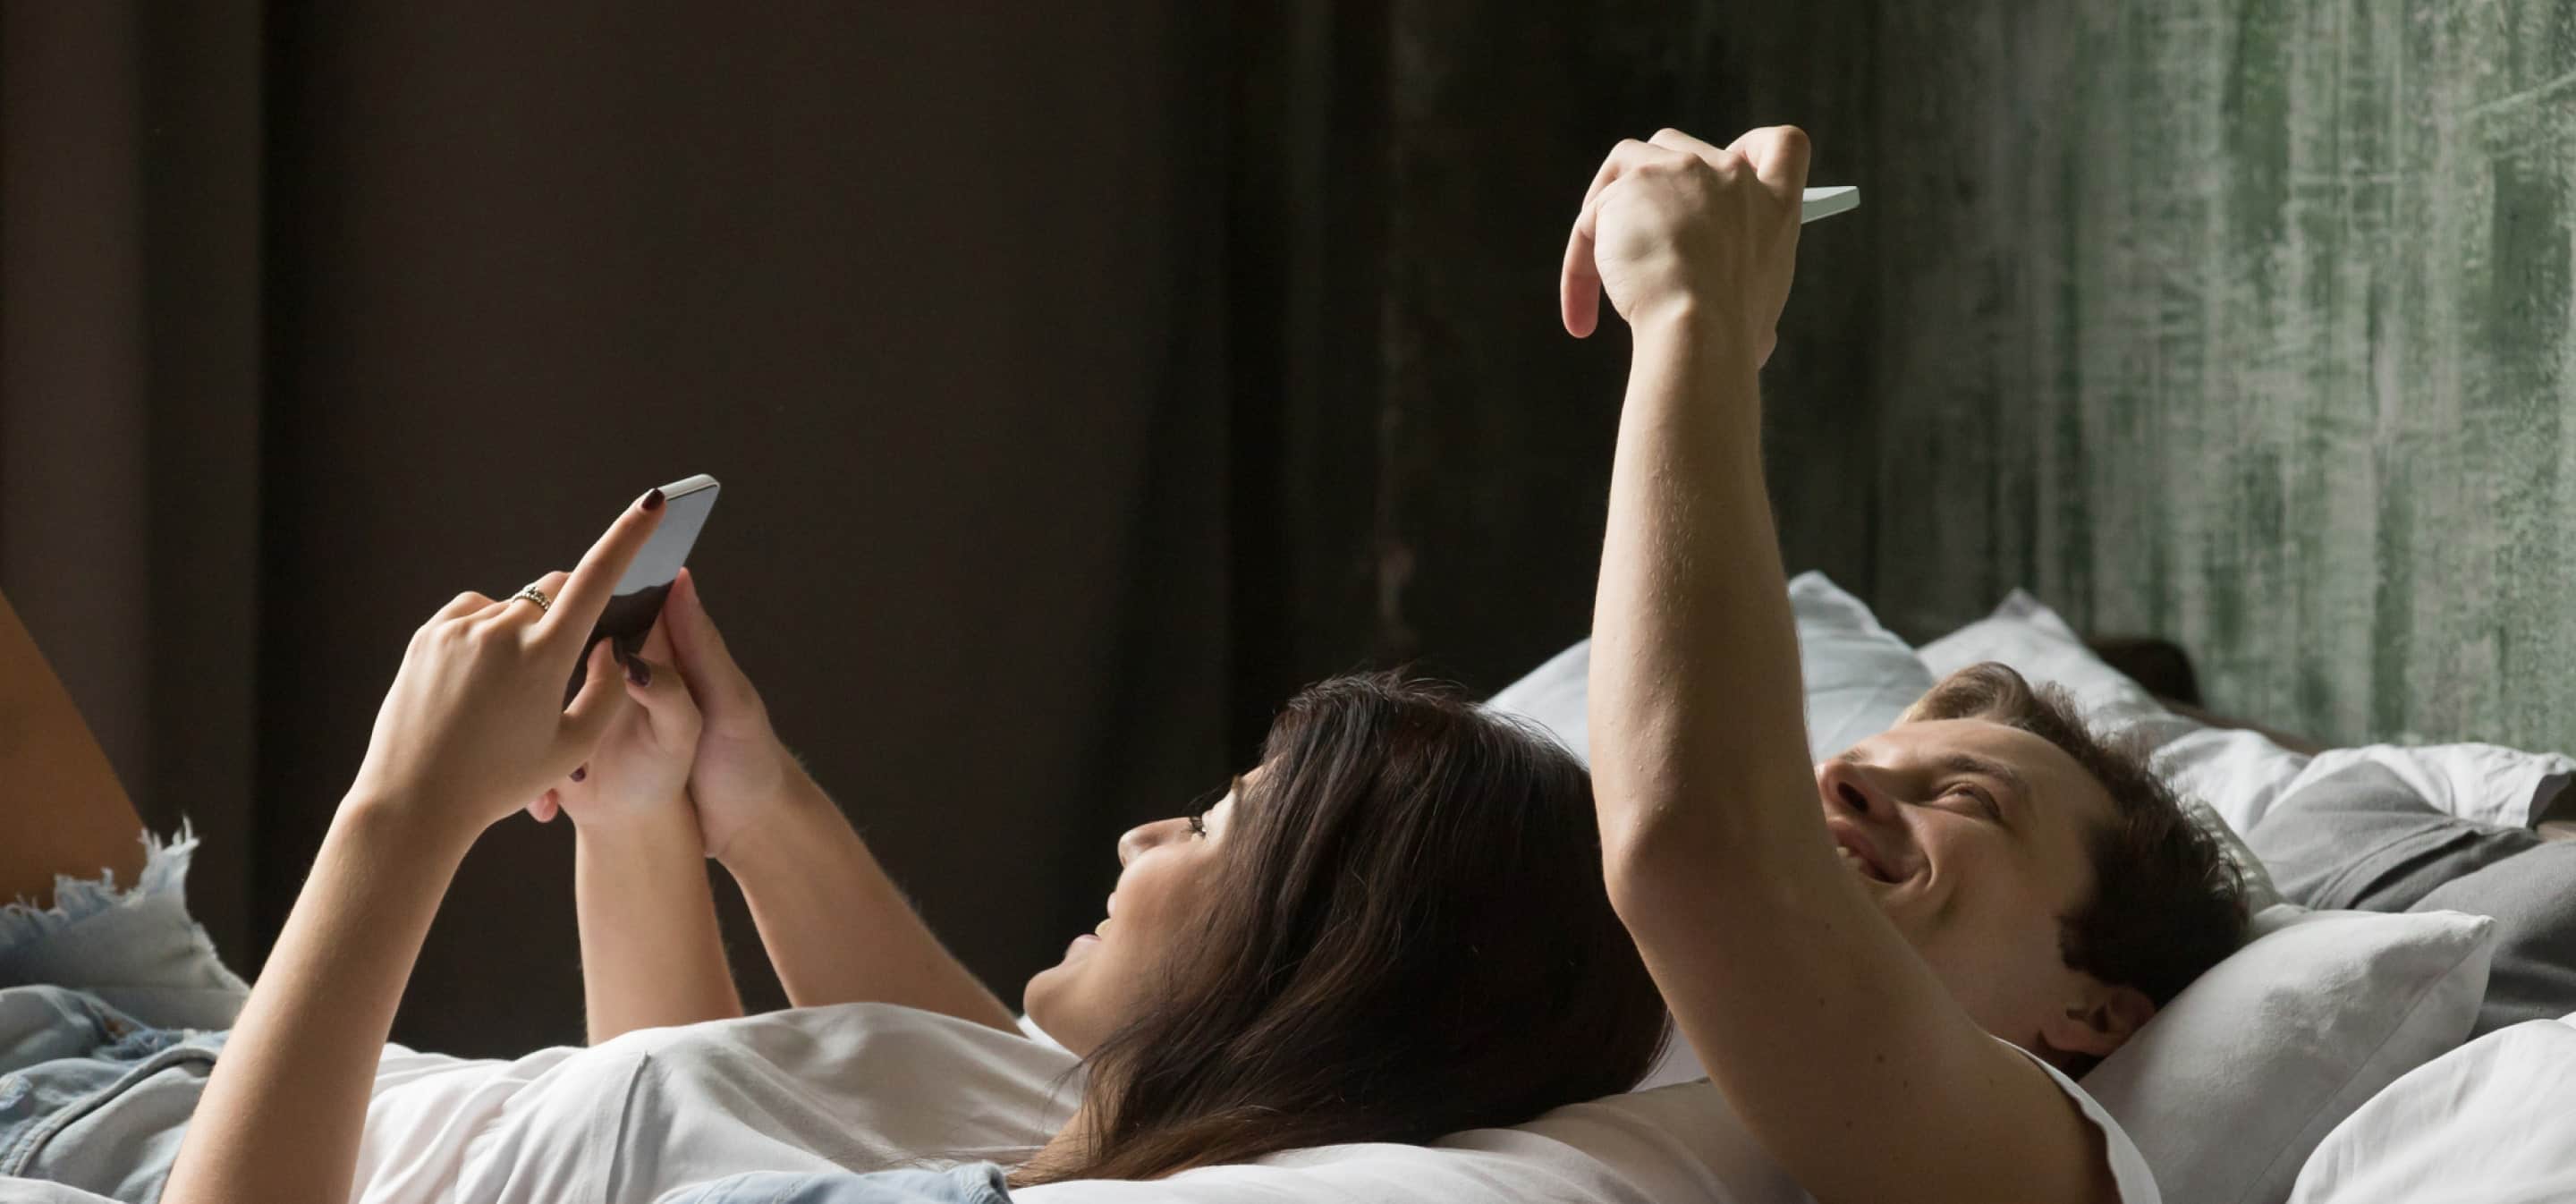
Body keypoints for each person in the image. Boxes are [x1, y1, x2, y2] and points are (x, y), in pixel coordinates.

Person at [0, 518, 1666, 1202]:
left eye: (1218, 821)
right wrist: (663, 804)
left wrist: (407, 804)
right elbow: (652, 1128)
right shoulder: (1043, 1113)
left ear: (1304, 974)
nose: (1149, 830)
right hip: (176, 1058)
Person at [1563, 124, 2247, 1202]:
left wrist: (1694, 313)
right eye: (1851, 761)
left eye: (1969, 797)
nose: (1835, 776)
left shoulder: (2042, 1158)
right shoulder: (1563, 1028)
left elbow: (1699, 847)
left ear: (2094, 1007)